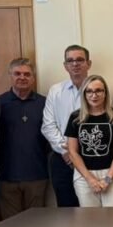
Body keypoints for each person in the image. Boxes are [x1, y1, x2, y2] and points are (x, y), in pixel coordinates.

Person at [65, 75, 113, 207]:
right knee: (90, 218)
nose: (94, 95)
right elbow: (72, 152)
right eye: (89, 91)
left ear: (105, 93)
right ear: (84, 94)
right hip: (84, 175)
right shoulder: (75, 118)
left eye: (98, 91)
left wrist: (108, 179)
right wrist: (89, 178)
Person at [0, 58, 48, 220]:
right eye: (17, 73)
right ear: (10, 76)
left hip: (37, 175)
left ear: (33, 78)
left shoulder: (45, 103)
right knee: (10, 225)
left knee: (36, 224)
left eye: (27, 74)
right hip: (6, 176)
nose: (22, 77)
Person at [42, 44, 90, 208]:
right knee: (66, 208)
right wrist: (66, 151)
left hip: (90, 157)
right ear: (65, 66)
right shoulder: (55, 91)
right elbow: (48, 125)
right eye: (70, 60)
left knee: (91, 207)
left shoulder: (97, 89)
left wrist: (77, 152)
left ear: (88, 64)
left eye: (80, 60)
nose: (75, 64)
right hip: (62, 159)